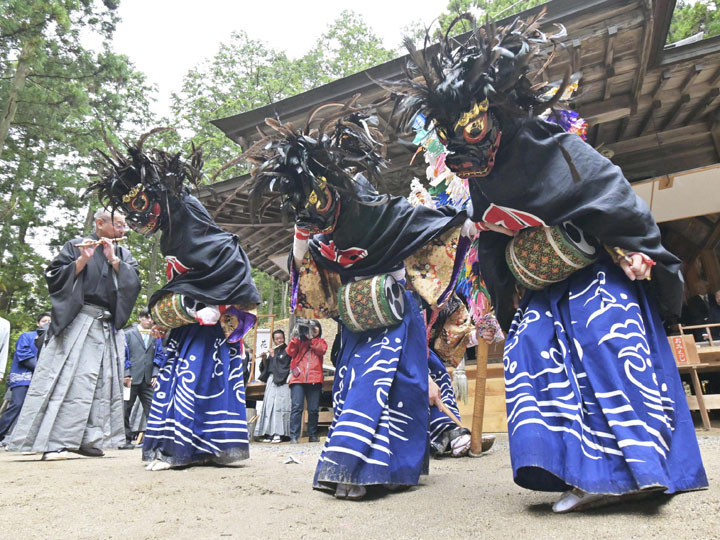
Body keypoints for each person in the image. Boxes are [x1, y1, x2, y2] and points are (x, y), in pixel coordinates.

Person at [389, 12, 708, 512]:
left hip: (597, 269)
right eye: (455, 137)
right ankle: (575, 472)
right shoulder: (477, 178)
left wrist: (632, 247)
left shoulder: (553, 148)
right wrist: (503, 290)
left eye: (473, 129)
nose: (466, 147)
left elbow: (609, 194)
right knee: (530, 347)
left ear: (493, 115)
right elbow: (491, 240)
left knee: (603, 335)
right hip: (540, 287)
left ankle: (633, 472)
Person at [245, 104, 470, 500]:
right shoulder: (313, 229)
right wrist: (300, 241)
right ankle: (351, 464)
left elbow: (433, 223)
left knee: (392, 384)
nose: (314, 220)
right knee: (354, 384)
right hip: (354, 320)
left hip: (396, 315)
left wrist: (468, 219)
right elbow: (309, 280)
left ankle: (384, 468)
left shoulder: (378, 212)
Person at [86, 130, 260, 471]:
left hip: (211, 320)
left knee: (199, 375)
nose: (137, 217)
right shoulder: (175, 231)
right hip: (190, 319)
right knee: (182, 374)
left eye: (138, 205)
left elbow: (228, 261)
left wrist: (219, 306)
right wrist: (172, 312)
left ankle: (199, 447)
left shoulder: (198, 224)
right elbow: (186, 276)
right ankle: (184, 445)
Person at [8, 209, 140, 460]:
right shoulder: (76, 245)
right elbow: (54, 277)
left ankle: (87, 438)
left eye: (125, 226)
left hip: (107, 325)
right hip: (79, 321)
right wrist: (81, 261)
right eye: (119, 225)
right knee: (70, 381)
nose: (124, 230)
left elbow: (133, 283)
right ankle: (54, 441)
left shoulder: (123, 253)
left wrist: (114, 260)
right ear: (100, 223)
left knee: (101, 383)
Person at [0, 313, 51, 444]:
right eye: (44, 321)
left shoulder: (53, 339)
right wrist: (42, 369)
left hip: (42, 379)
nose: (47, 323)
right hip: (23, 377)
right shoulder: (27, 336)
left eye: (49, 321)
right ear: (38, 323)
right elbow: (23, 355)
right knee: (17, 404)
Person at [121, 308, 164, 449]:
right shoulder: (128, 334)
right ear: (140, 318)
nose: (150, 321)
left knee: (153, 408)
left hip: (149, 378)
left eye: (151, 318)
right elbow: (124, 355)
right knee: (125, 408)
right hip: (132, 377)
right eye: (147, 317)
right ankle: (125, 439)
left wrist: (155, 374)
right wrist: (126, 373)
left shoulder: (155, 335)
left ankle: (152, 440)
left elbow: (159, 355)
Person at [286, 320, 326, 444]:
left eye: (315, 327)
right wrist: (296, 337)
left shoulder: (321, 342)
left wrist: (311, 338)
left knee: (313, 409)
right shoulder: (299, 341)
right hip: (298, 378)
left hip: (315, 378)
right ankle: (294, 435)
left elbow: (321, 350)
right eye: (310, 327)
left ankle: (312, 434)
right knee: (296, 407)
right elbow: (290, 352)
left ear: (319, 329)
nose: (312, 329)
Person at [255, 329, 292, 443]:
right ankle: (269, 433)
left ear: (284, 338)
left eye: (281, 338)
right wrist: (265, 359)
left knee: (280, 407)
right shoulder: (273, 351)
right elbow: (267, 369)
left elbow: (283, 366)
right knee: (269, 406)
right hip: (272, 380)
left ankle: (280, 434)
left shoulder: (288, 350)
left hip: (283, 381)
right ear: (274, 340)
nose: (279, 340)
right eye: (277, 339)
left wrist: (273, 356)